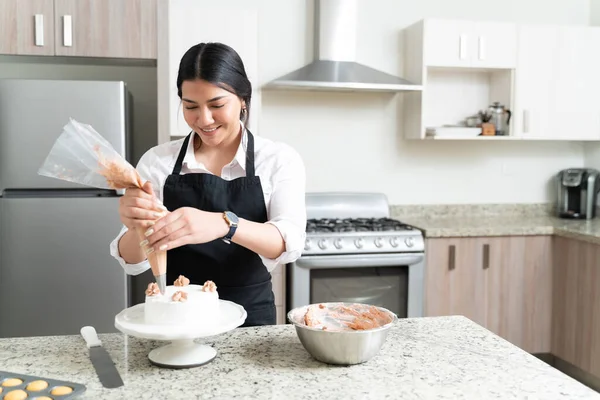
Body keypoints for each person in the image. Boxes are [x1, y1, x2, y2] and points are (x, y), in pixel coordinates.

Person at [109, 42, 307, 327]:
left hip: (250, 321)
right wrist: (136, 226)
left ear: (243, 100)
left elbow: (288, 243)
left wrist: (225, 224)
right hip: (174, 318)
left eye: (217, 105)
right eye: (191, 106)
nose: (204, 119)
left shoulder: (277, 159)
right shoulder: (157, 161)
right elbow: (132, 259)